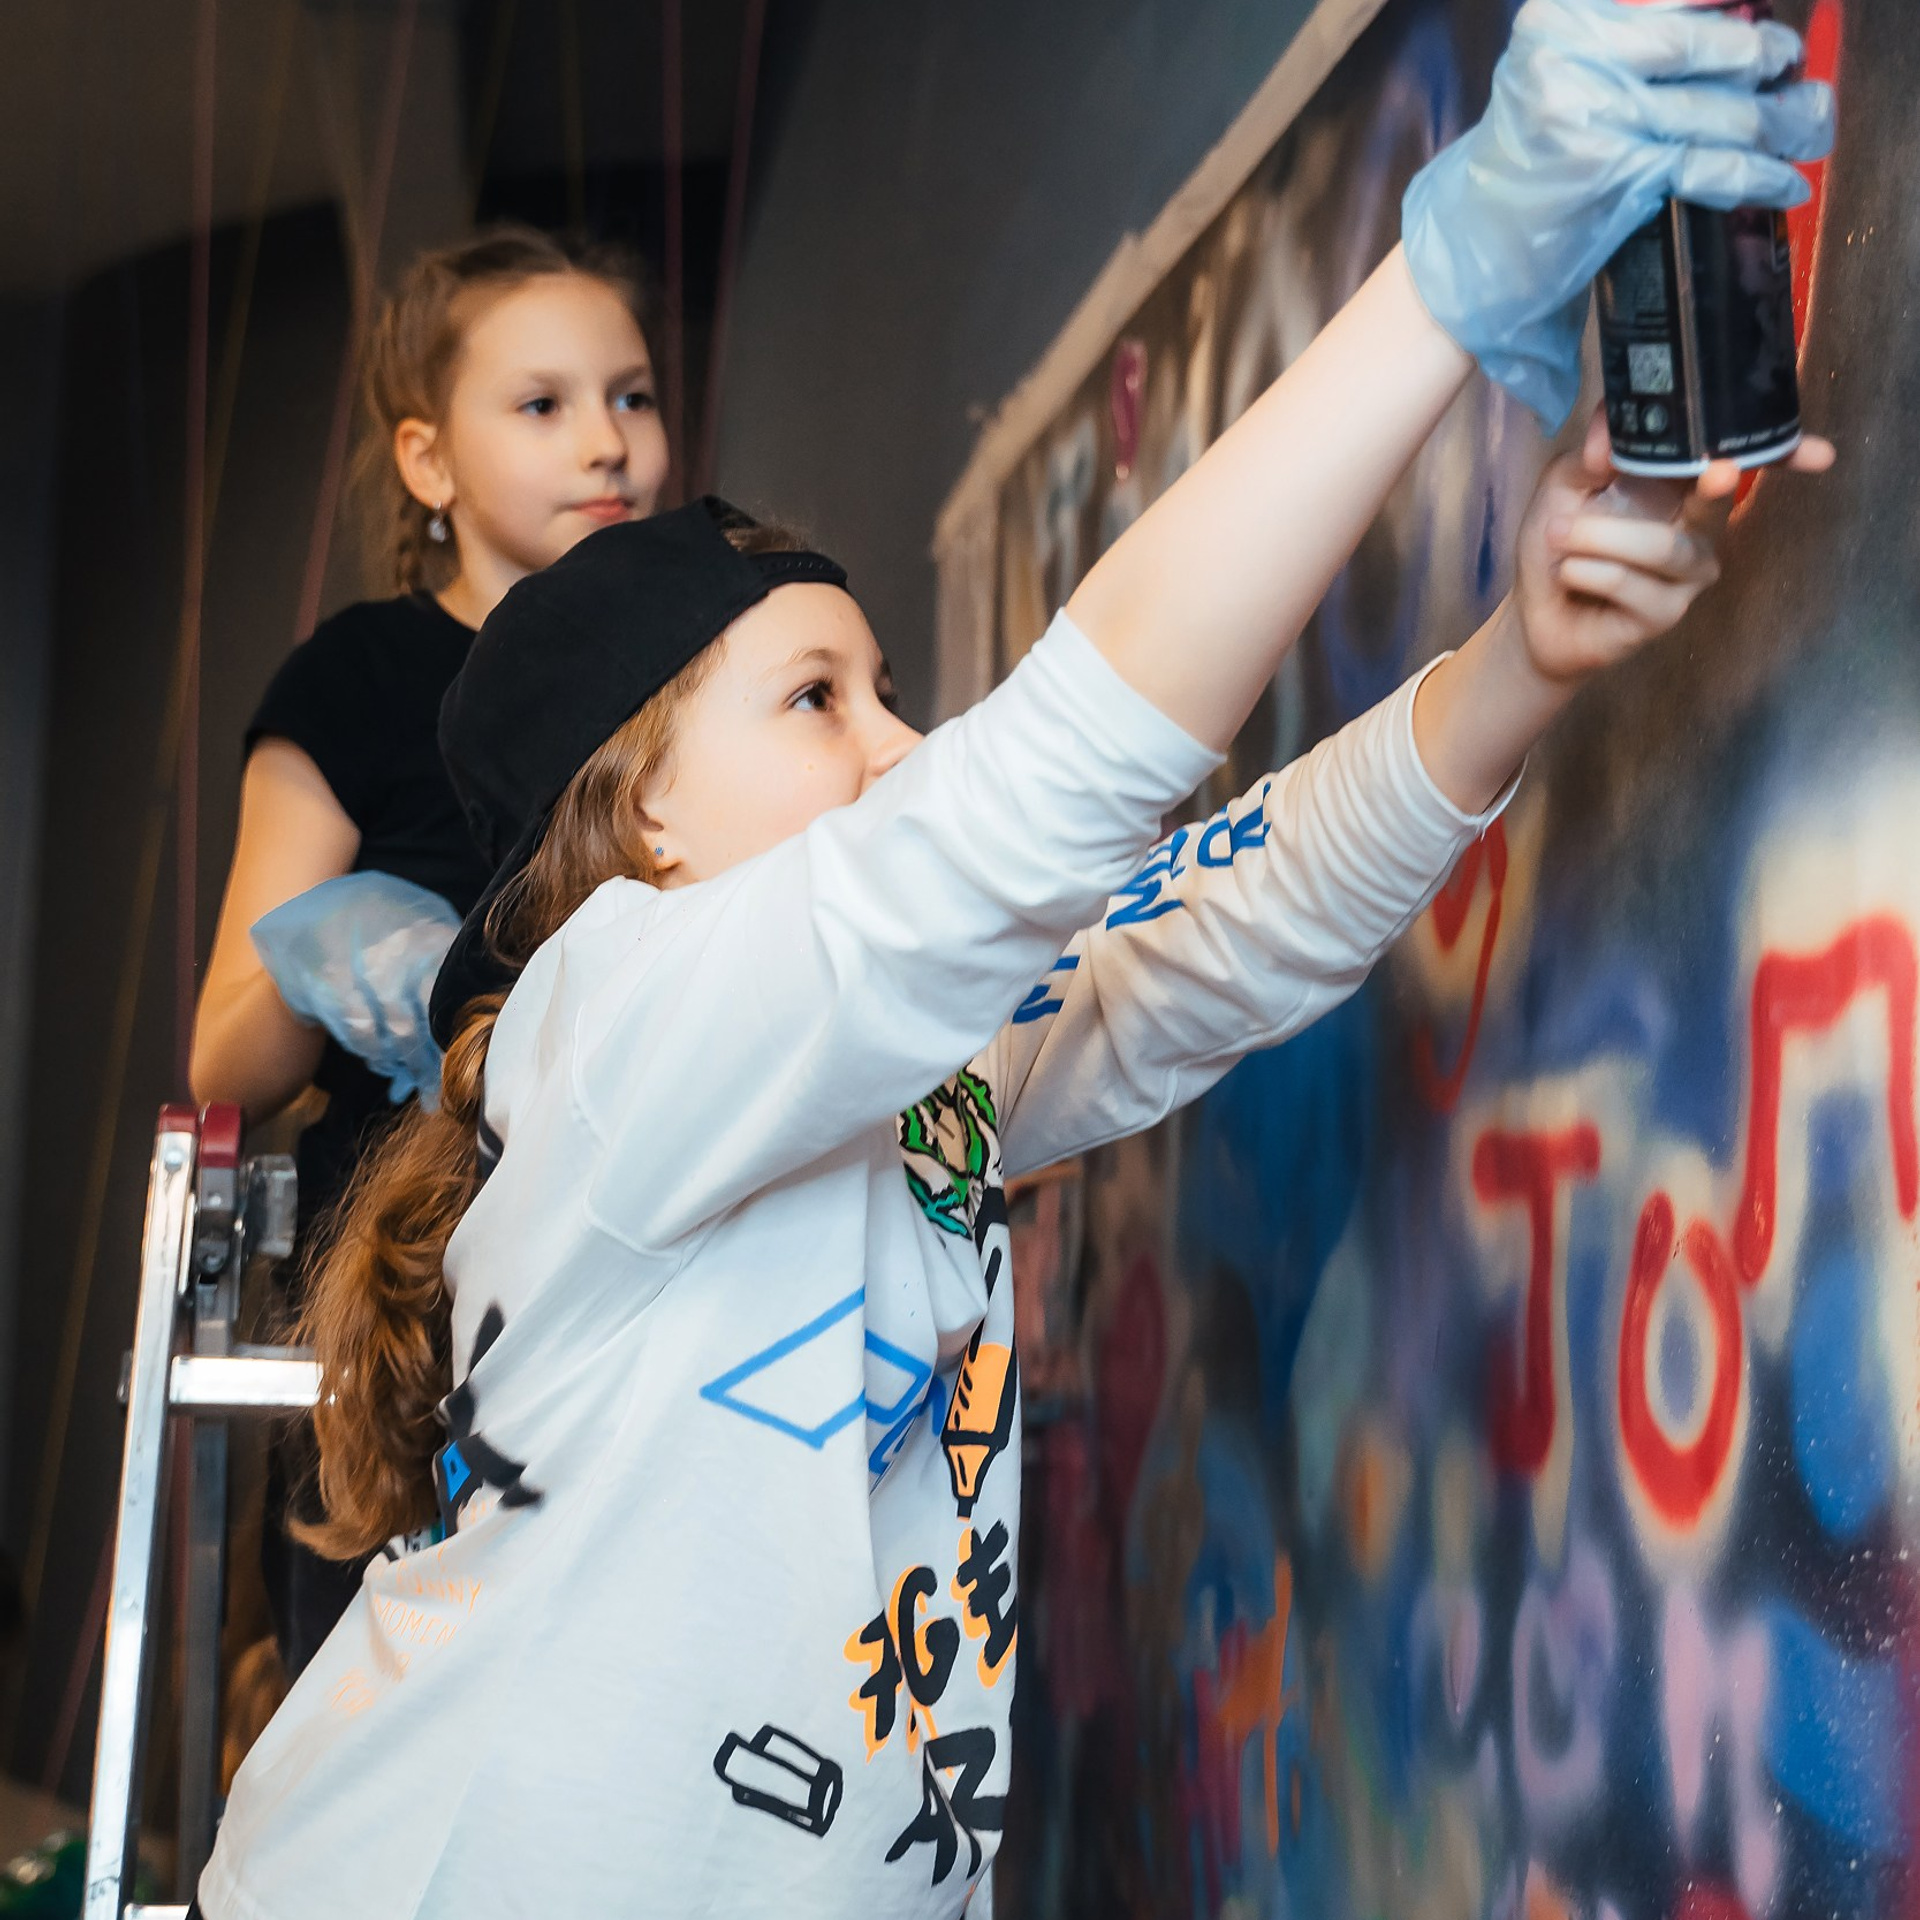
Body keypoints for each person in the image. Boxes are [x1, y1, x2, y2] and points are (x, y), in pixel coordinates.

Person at [196, 2, 1834, 1913]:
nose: (896, 742)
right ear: (636, 821)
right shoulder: (612, 1022)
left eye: (887, 690)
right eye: (819, 697)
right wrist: (1446, 280)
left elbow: (1211, 932)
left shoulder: (913, 1075)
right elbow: (1024, 801)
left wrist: (1522, 661)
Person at [189, 226, 672, 1679]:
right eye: (542, 405)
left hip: (645, 1246)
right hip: (406, 1289)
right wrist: (353, 953)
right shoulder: (351, 679)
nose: (607, 443)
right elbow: (224, 1058)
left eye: (632, 395)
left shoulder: (702, 659)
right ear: (426, 462)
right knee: (393, 1700)